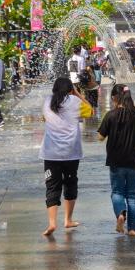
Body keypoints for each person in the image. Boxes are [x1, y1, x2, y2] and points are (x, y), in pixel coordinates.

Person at [98, 84, 135, 236]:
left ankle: (121, 214)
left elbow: (100, 137)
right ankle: (132, 229)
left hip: (116, 161)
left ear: (114, 98)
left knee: (117, 192)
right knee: (133, 195)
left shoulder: (110, 115)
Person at [40, 77, 83, 237]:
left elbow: (45, 118)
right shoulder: (75, 101)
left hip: (50, 154)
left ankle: (52, 223)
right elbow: (90, 110)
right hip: (71, 153)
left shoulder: (47, 101)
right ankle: (68, 219)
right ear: (70, 89)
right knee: (70, 184)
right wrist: (77, 94)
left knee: (52, 186)